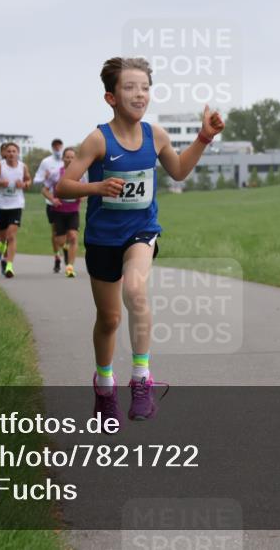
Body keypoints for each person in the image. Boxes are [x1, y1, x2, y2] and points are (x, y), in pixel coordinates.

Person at [57, 57, 225, 424]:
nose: (139, 94)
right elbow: (64, 185)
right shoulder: (98, 139)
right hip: (103, 238)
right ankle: (104, 386)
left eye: (145, 88)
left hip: (141, 230)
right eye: (130, 88)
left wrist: (204, 138)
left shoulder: (156, 135)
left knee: (135, 290)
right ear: (110, 97)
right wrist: (96, 186)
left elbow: (178, 170)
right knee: (109, 318)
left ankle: (141, 379)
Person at [0, 141, 31, 278]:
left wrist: (23, 184)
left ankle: (9, 266)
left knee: (11, 236)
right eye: (9, 151)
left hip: (16, 204)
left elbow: (29, 181)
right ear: (5, 153)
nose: (11, 153)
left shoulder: (23, 167)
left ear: (18, 153)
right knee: (2, 236)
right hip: (0, 205)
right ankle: (0, 247)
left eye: (14, 151)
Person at [41, 147, 84, 278]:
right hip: (59, 211)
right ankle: (64, 247)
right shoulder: (55, 173)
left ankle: (70, 267)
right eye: (67, 157)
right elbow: (45, 190)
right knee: (60, 240)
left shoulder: (81, 174)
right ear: (63, 158)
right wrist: (52, 199)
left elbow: (87, 189)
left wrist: (83, 195)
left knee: (73, 236)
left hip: (73, 211)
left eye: (72, 157)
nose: (70, 159)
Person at [35, 138, 66, 272]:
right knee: (55, 232)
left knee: (70, 233)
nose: (57, 148)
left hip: (69, 203)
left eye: (59, 146)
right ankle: (57, 256)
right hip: (52, 202)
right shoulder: (46, 162)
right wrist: (45, 177)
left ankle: (66, 252)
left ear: (62, 146)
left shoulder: (69, 160)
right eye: (55, 146)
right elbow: (37, 181)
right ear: (52, 147)